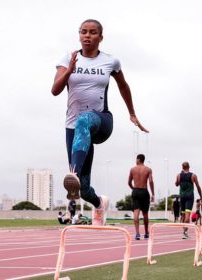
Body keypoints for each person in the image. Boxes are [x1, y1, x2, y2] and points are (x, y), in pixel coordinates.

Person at [51, 19, 148, 226]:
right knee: (83, 189)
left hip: (101, 120)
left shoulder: (110, 61)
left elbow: (124, 86)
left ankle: (73, 174)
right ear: (79, 35)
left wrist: (132, 113)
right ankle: (98, 202)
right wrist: (69, 70)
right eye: (83, 32)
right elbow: (55, 90)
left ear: (100, 38)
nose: (87, 35)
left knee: (84, 120)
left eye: (92, 32)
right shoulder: (68, 58)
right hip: (75, 130)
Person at [128, 154, 154, 240]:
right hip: (144, 191)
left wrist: (134, 189)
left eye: (136, 159)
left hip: (136, 191)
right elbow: (150, 181)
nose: (135, 160)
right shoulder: (148, 169)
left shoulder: (132, 169)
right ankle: (146, 233)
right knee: (145, 213)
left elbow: (129, 182)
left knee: (136, 212)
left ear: (138, 159)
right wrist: (153, 193)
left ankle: (137, 233)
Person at [175, 161, 202, 239]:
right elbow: (198, 187)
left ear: (182, 167)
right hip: (189, 196)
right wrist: (201, 196)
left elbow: (176, 184)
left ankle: (184, 231)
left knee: (183, 215)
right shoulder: (193, 175)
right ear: (189, 167)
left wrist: (178, 179)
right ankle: (185, 232)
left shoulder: (178, 175)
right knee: (187, 215)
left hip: (182, 196)